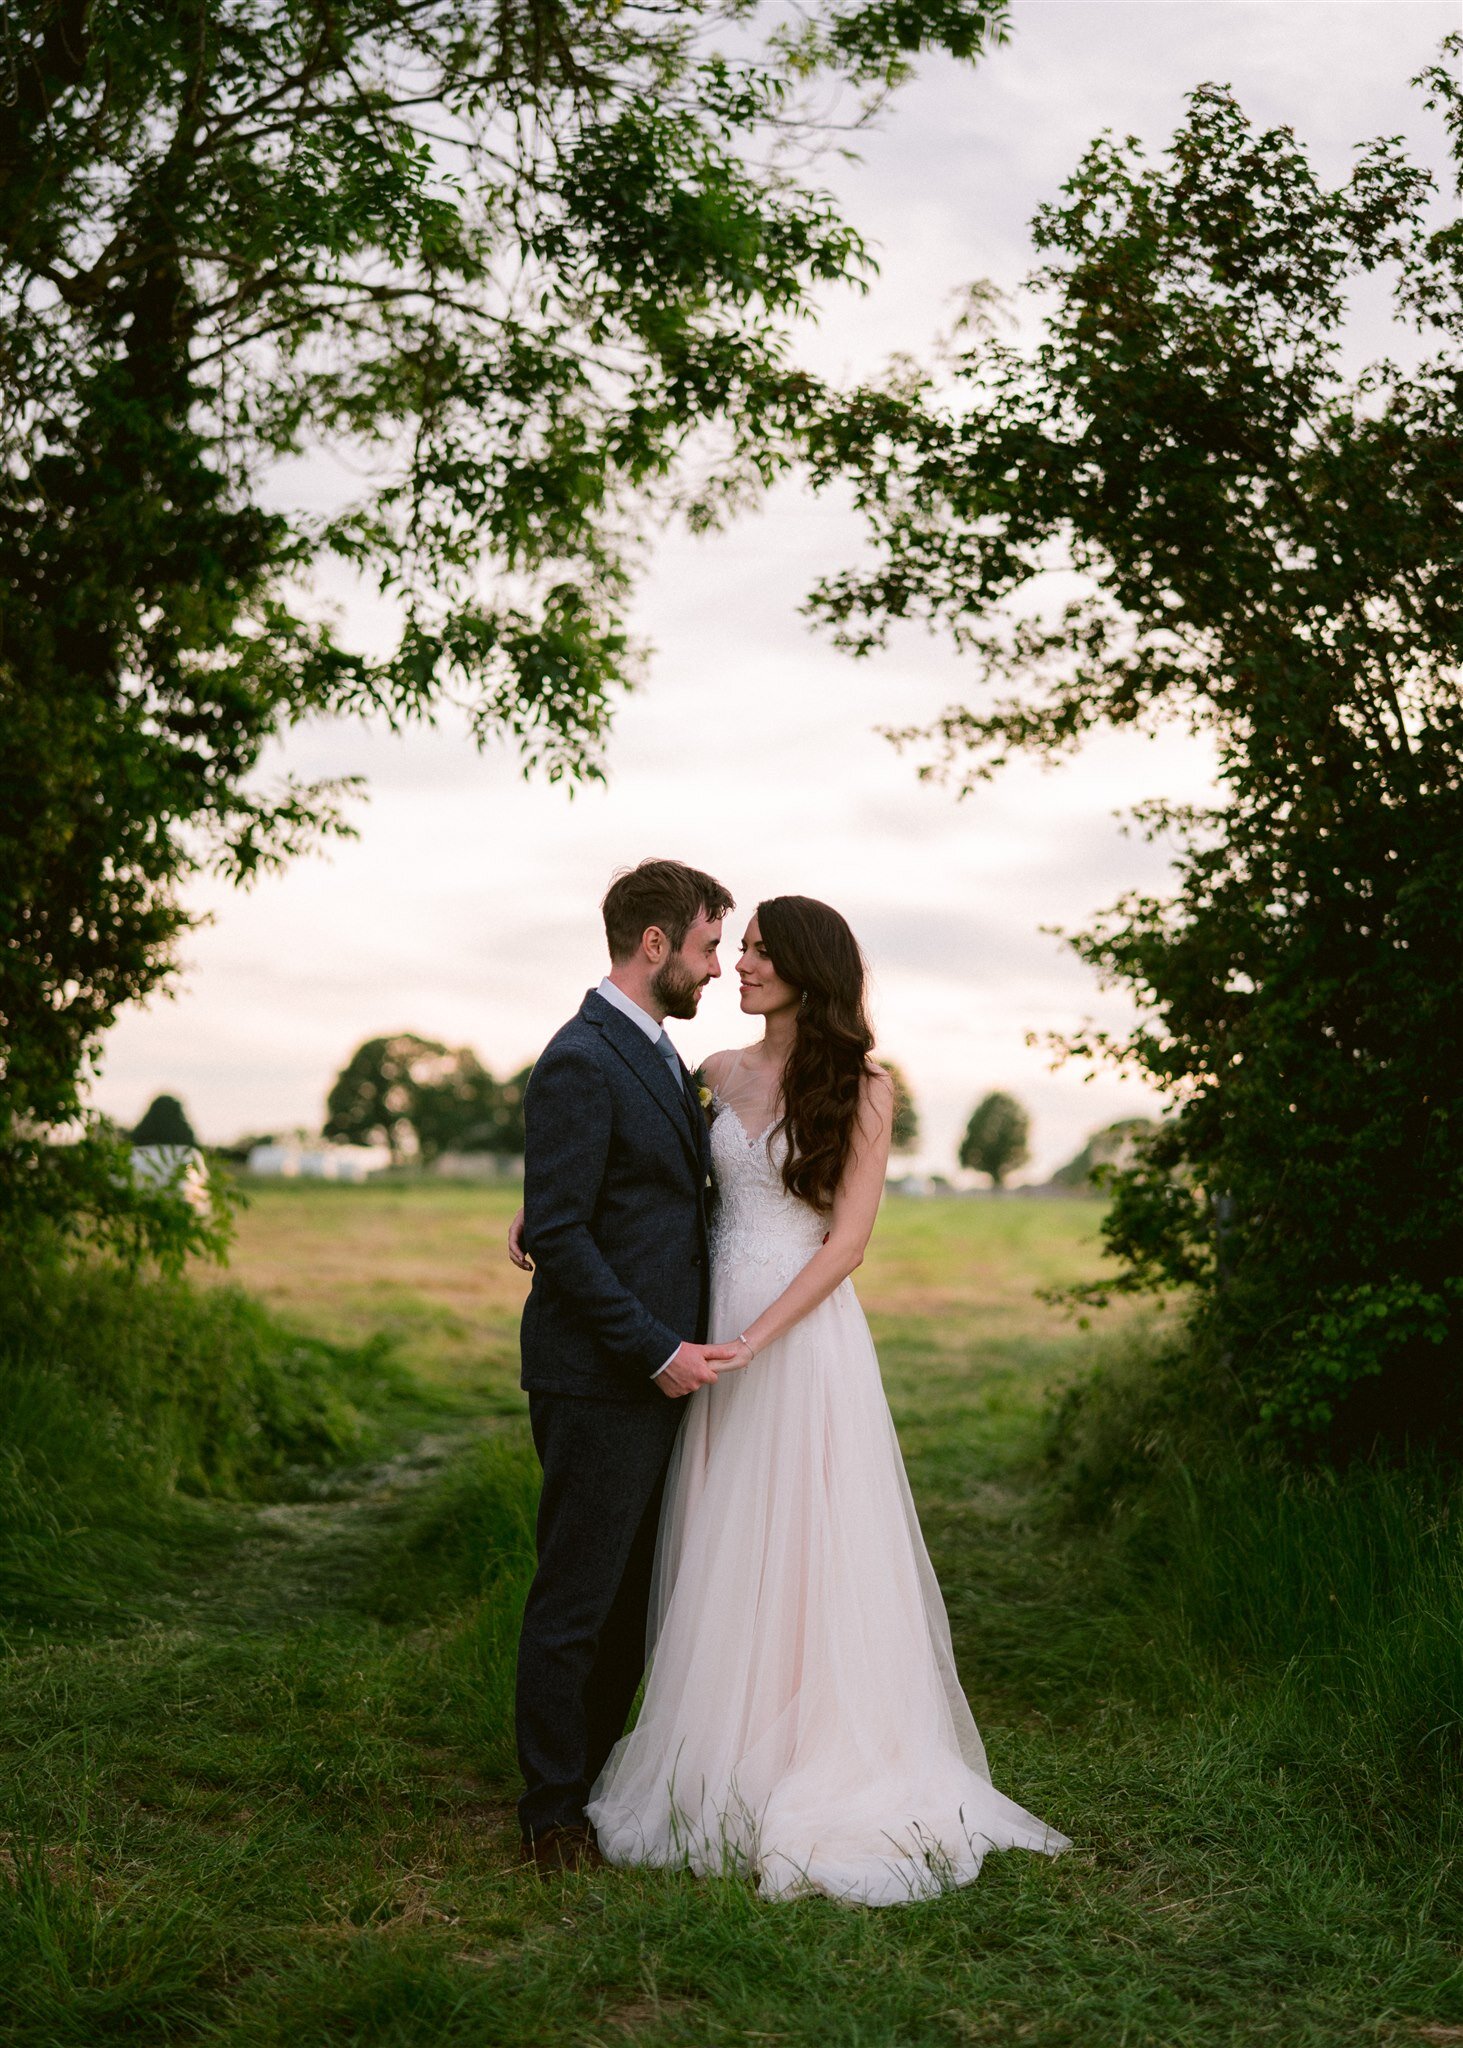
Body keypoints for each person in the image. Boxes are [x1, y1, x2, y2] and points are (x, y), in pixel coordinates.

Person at [512, 889, 1069, 1903]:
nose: (739, 967)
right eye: (735, 947)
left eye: (760, 950)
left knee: (805, 1540)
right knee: (709, 1536)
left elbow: (847, 1241)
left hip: (792, 1333)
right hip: (698, 1322)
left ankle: (801, 1751)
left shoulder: (863, 1086)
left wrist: (756, 1336)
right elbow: (636, 1174)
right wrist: (540, 1218)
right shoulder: (711, 1074)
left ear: (810, 967)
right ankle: (691, 1748)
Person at [511, 858, 744, 1871]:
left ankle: (600, 1780)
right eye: (704, 947)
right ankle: (550, 1810)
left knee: (625, 1600)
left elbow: (638, 1197)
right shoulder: (581, 1054)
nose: (713, 967)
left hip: (654, 1372)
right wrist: (654, 1347)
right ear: (653, 944)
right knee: (577, 1598)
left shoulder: (649, 1052)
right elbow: (560, 1235)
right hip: (601, 1372)